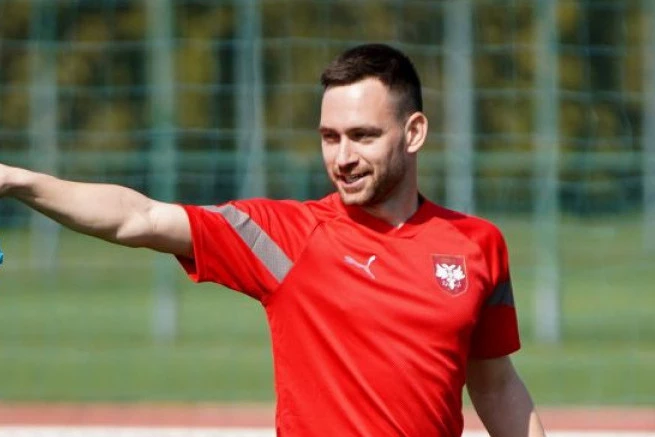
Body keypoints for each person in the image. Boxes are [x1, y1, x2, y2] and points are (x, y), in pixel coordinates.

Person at [0, 43, 546, 437]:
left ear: (414, 132)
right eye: (329, 137)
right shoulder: (287, 237)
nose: (343, 157)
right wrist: (15, 180)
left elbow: (495, 385)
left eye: (363, 136)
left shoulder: (478, 245)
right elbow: (137, 218)